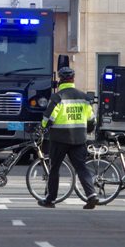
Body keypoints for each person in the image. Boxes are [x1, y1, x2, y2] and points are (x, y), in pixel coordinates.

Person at [39, 66, 99, 209]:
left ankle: (50, 199)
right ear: (73, 79)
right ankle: (92, 195)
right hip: (79, 139)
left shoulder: (57, 97)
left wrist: (43, 128)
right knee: (81, 168)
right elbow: (92, 120)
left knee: (54, 169)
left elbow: (48, 118)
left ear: (60, 80)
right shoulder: (84, 97)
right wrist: (86, 131)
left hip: (59, 139)